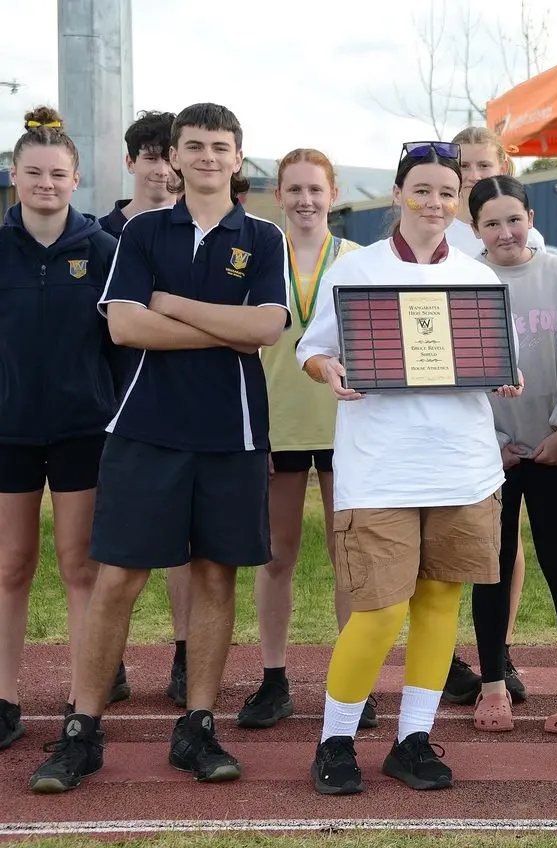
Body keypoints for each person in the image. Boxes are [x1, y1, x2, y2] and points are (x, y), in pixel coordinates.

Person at [29, 102, 290, 793]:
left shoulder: (262, 238)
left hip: (231, 436)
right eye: (195, 146)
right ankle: (83, 731)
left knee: (214, 578)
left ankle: (196, 728)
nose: (207, 157)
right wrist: (223, 327)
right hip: (145, 431)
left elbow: (266, 330)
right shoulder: (143, 231)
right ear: (172, 156)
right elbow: (125, 329)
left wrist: (171, 305)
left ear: (239, 158)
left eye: (220, 147)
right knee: (117, 579)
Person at [296, 142, 521, 795]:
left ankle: (413, 739)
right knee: (377, 611)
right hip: (380, 469)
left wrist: (508, 376)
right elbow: (313, 351)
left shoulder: (480, 277)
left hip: (463, 467)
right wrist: (327, 369)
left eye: (445, 192)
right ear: (398, 193)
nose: (433, 202)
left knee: (439, 603)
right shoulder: (355, 270)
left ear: (459, 200)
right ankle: (335, 741)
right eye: (421, 190)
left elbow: (498, 361)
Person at [0, 108, 130, 751]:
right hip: (9, 433)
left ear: (76, 178)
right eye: (33, 173)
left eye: (57, 173)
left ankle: (83, 709)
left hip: (84, 431)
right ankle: (5, 700)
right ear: (14, 175)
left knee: (80, 568)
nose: (45, 183)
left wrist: (112, 414)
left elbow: (123, 347)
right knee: (10, 566)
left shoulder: (105, 251)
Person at [236, 149, 373, 731]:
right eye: (294, 190)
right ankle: (273, 679)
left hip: (349, 427)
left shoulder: (361, 260)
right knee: (276, 557)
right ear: (279, 195)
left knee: (349, 561)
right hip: (278, 426)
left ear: (333, 193)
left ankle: (352, 686)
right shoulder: (262, 258)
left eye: (315, 189)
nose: (305, 201)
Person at [467, 174, 557, 734]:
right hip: (489, 457)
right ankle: (493, 684)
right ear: (474, 228)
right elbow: (456, 373)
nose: (505, 231)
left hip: (556, 448)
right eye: (491, 223)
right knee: (491, 568)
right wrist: (487, 444)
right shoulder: (464, 281)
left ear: (530, 217)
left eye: (513, 219)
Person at [441, 125, 542, 707]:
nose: (475, 175)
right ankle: (450, 652)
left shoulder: (525, 234)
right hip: (462, 419)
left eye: (484, 164)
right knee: (453, 538)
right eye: (465, 166)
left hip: (516, 414)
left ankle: (496, 650)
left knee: (507, 543)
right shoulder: (441, 238)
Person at [99, 108, 191, 709]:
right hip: (118, 409)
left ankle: (186, 655)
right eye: (150, 156)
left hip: (186, 406)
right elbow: (112, 327)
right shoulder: (98, 234)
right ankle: (110, 663)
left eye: (169, 156)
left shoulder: (198, 232)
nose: (161, 168)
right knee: (119, 555)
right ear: (132, 162)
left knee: (188, 549)